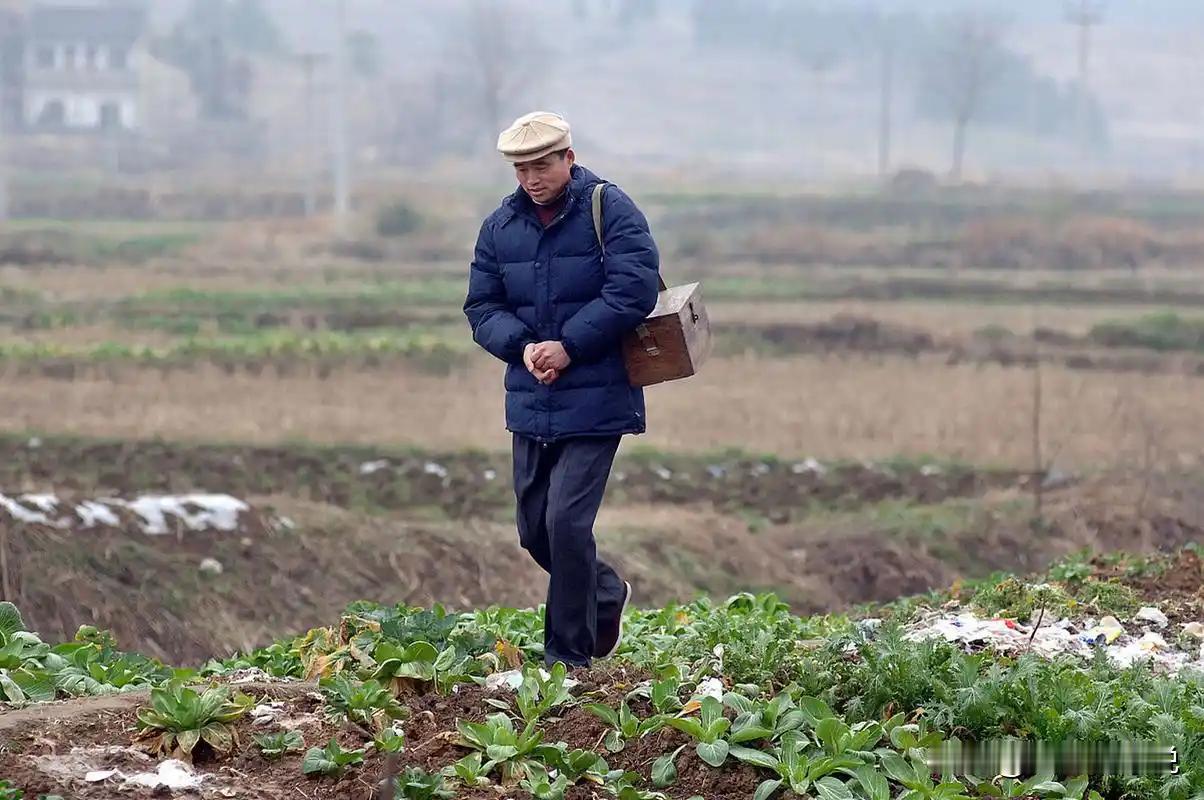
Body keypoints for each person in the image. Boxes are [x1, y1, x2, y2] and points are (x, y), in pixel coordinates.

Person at [463, 111, 661, 668]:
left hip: (598, 396)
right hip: (531, 399)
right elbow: (482, 307)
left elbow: (634, 288)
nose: (532, 178)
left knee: (567, 524)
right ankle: (603, 592)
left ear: (568, 159)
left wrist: (569, 346)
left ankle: (567, 658)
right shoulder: (500, 226)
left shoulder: (609, 209)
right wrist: (524, 347)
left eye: (542, 165)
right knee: (535, 532)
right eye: (521, 168)